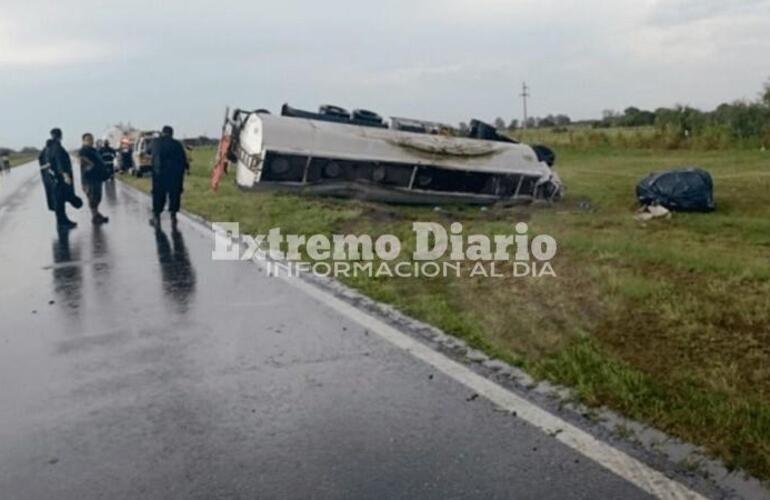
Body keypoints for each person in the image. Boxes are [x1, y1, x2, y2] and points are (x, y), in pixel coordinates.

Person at [40, 128, 81, 229]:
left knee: (58, 200)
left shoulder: (46, 148)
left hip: (51, 178)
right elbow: (59, 162)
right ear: (60, 136)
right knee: (60, 200)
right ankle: (62, 222)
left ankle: (62, 220)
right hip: (59, 178)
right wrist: (65, 175)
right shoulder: (57, 147)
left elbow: (42, 161)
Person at [150, 125, 189, 227]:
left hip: (159, 175)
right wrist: (186, 167)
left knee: (158, 195)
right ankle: (173, 215)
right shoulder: (177, 144)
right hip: (174, 175)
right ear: (172, 134)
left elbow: (148, 151)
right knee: (174, 195)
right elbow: (183, 158)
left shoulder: (155, 142)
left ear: (162, 132)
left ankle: (157, 216)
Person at [78, 133, 110, 224]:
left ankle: (97, 214)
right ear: (83, 141)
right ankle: (94, 216)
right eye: (88, 139)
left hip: (97, 177)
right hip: (89, 179)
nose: (90, 141)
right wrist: (91, 165)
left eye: (91, 139)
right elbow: (82, 159)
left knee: (97, 197)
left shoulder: (93, 150)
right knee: (93, 197)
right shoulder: (84, 150)